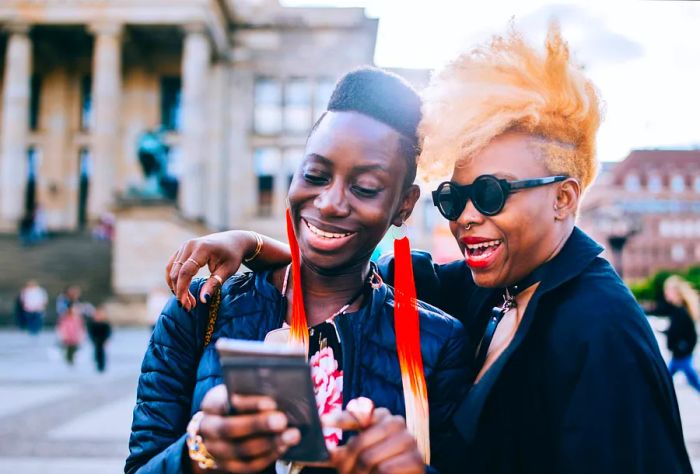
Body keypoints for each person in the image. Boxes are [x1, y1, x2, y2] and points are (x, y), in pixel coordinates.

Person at [166, 25, 692, 473]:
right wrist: (254, 245)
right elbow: (355, 264)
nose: (466, 216)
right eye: (454, 196)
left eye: (491, 193)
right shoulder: (495, 287)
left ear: (563, 197)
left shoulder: (602, 331)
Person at [127, 68, 469, 474]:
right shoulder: (197, 310)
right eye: (315, 175)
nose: (328, 203)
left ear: (404, 205)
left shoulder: (440, 341)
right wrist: (199, 452)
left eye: (365, 188)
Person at [658, 275, 700, 393]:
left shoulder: (681, 311)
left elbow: (691, 335)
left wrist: (683, 348)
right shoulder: (677, 310)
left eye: (668, 290)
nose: (666, 293)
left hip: (682, 356)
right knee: (666, 380)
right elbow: (676, 331)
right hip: (679, 355)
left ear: (676, 292)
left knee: (664, 380)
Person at [87, 306, 112, 372]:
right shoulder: (92, 324)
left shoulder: (105, 324)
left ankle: (102, 366)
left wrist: (106, 339)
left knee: (102, 353)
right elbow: (90, 333)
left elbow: (108, 332)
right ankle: (98, 364)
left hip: (102, 340)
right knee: (96, 352)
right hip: (96, 340)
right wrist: (92, 339)